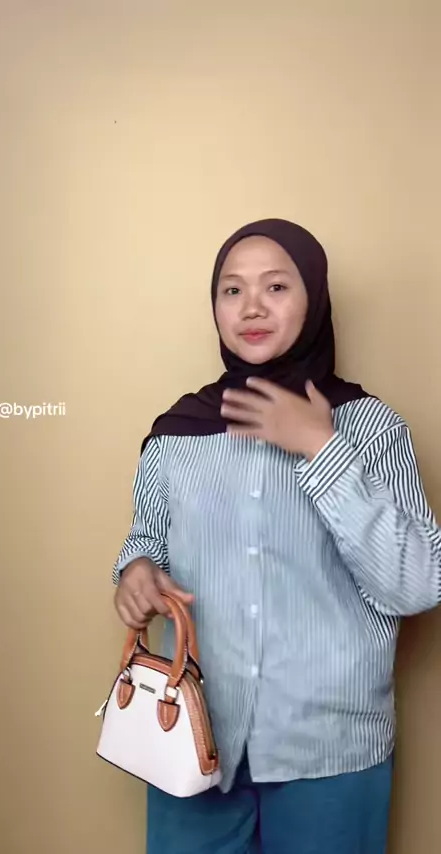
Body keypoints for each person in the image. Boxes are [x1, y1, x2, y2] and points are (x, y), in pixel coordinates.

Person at [112, 219, 441, 854]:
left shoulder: (371, 428)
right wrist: (136, 573)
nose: (252, 307)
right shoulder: (176, 433)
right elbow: (145, 539)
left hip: (331, 751)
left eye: (277, 286)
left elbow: (417, 585)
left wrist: (321, 447)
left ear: (313, 298)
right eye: (232, 290)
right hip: (191, 738)